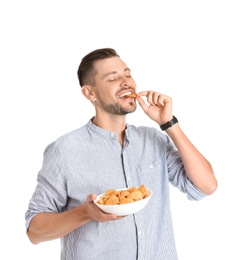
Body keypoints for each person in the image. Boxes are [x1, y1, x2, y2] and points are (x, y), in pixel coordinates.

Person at [25, 48, 217, 260]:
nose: (126, 81)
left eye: (127, 74)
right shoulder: (64, 150)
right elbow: (34, 231)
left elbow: (205, 186)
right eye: (113, 78)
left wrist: (169, 124)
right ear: (90, 93)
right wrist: (86, 212)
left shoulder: (153, 140)